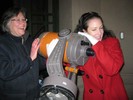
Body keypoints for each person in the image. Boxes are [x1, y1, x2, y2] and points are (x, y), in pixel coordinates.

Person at [74, 12, 128, 100]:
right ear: (84, 31)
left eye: (101, 28)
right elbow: (67, 69)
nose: (99, 33)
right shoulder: (79, 49)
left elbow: (112, 69)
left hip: (113, 95)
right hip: (92, 96)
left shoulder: (112, 43)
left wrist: (96, 43)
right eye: (94, 29)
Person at [0, 7, 47, 100]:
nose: (23, 23)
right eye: (17, 20)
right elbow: (4, 71)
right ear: (7, 23)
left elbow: (37, 63)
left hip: (34, 94)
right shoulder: (2, 43)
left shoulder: (29, 40)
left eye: (24, 19)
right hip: (13, 96)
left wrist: (50, 58)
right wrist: (30, 58)